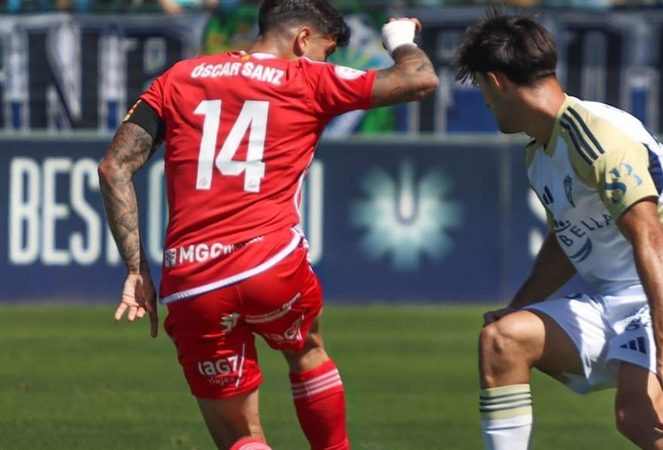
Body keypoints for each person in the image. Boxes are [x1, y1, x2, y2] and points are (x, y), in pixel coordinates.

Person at [97, 1, 438, 448]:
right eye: (325, 51)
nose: (325, 62)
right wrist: (401, 40)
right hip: (270, 264)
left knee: (241, 435)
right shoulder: (307, 77)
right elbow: (420, 79)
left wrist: (137, 270)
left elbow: (113, 168)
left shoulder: (180, 77)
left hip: (192, 280)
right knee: (307, 351)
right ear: (302, 40)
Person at [455, 11, 663, 450]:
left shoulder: (595, 135)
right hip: (613, 301)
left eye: (481, 89)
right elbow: (567, 242)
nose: (485, 103)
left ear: (497, 81)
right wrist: (520, 305)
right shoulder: (540, 154)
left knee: (641, 419)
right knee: (503, 340)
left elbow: (650, 234)